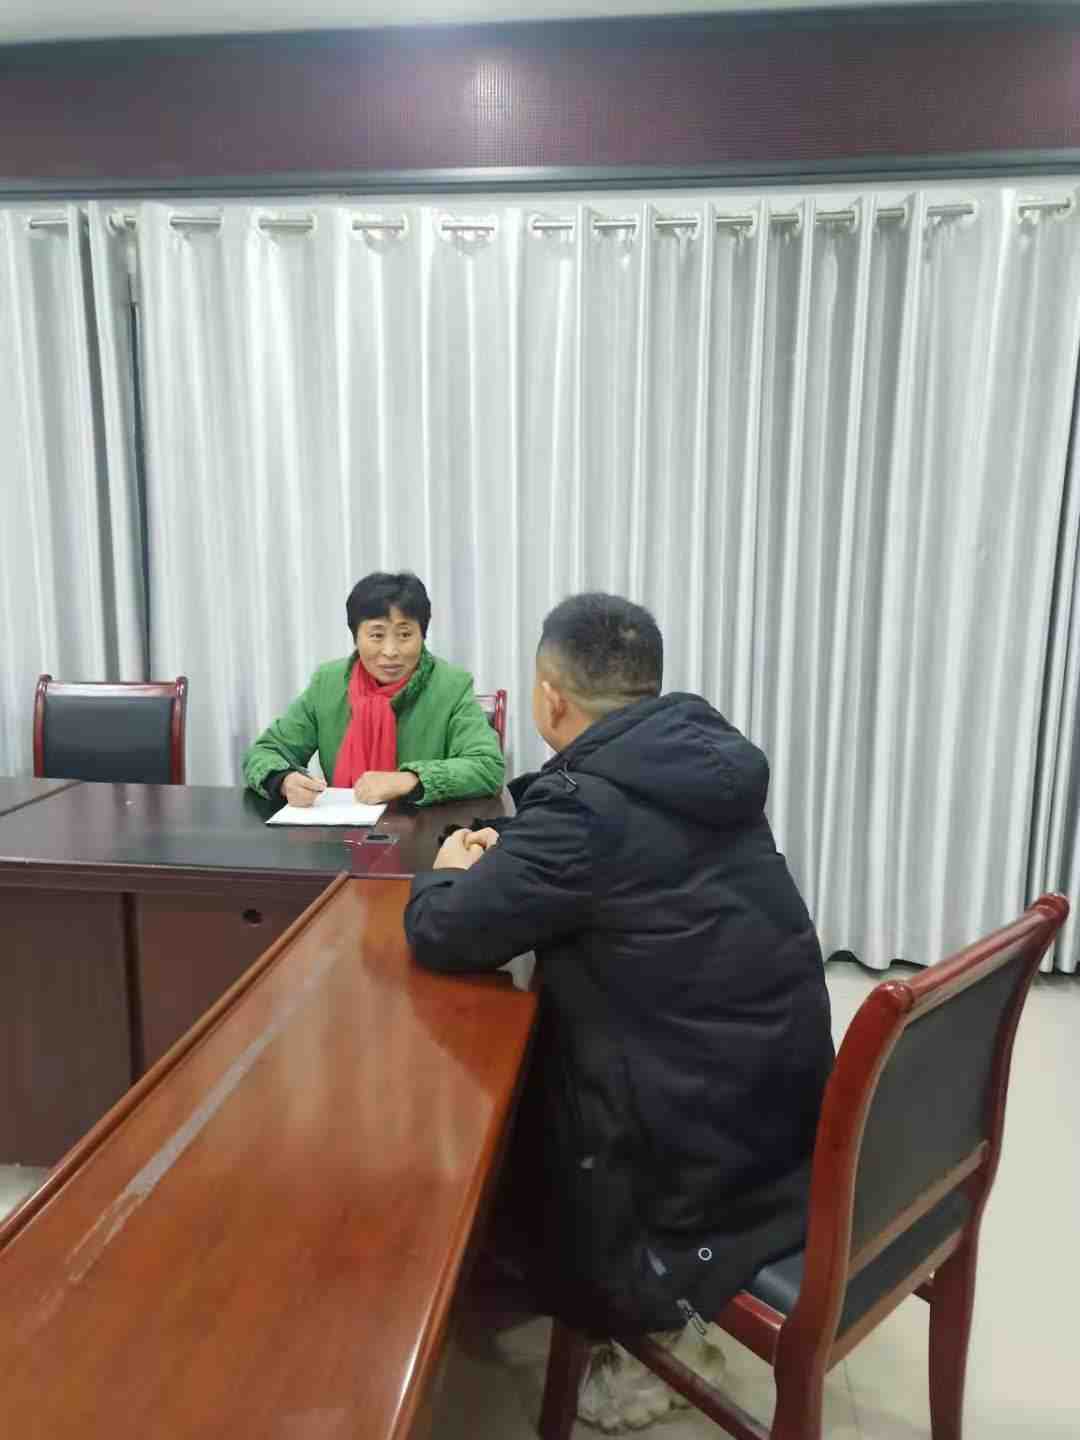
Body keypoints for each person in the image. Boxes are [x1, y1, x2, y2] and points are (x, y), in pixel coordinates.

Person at [404, 593, 834, 1431]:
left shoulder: (586, 809)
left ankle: (629, 1325)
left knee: (506, 1080)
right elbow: (631, 872)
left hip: (689, 1159)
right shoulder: (706, 764)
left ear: (550, 697)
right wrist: (521, 855)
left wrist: (450, 871)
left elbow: (446, 934)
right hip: (778, 1108)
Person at [243, 571, 505, 808]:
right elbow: (265, 751)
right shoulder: (328, 683)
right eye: (377, 635)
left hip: (427, 833)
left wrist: (410, 780)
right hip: (340, 834)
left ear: (422, 635)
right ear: (356, 637)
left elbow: (487, 766)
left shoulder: (451, 686)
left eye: (404, 635)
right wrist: (283, 780)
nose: (390, 651)